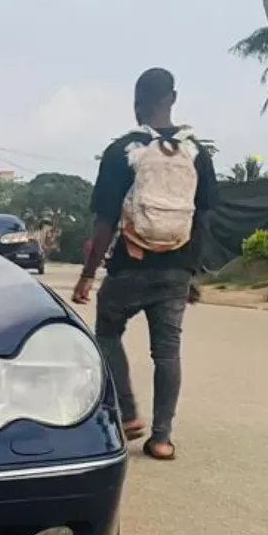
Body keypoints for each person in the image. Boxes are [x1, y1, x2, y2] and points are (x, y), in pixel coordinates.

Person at [73, 68, 216, 461]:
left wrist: (88, 274)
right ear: (173, 97)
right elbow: (202, 219)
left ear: (137, 100)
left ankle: (129, 411)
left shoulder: (123, 151)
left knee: (106, 332)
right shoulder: (196, 153)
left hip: (129, 267)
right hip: (176, 267)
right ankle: (162, 438)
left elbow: (104, 221)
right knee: (167, 351)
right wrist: (191, 272)